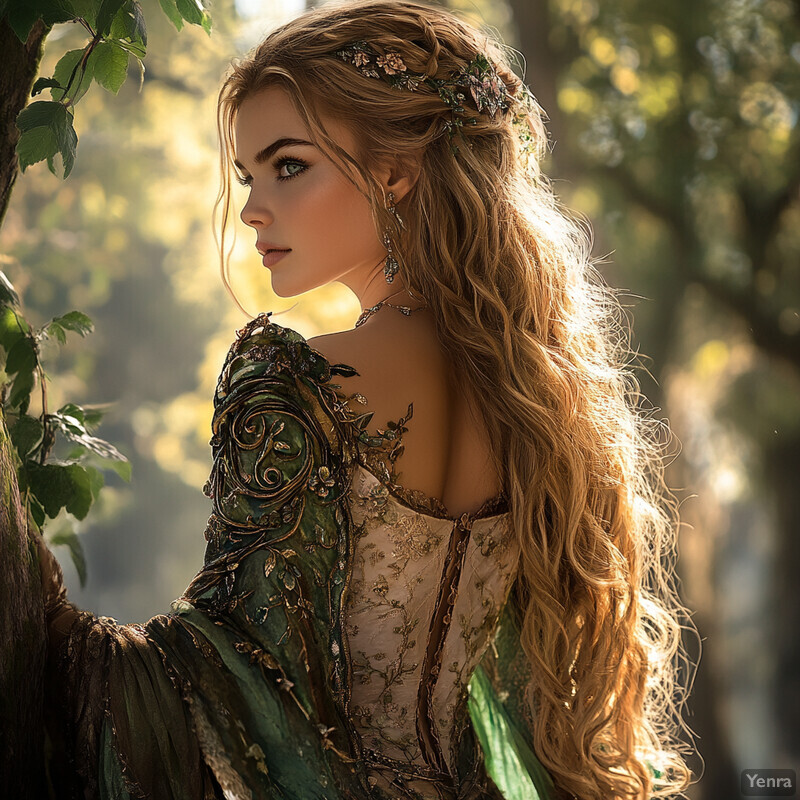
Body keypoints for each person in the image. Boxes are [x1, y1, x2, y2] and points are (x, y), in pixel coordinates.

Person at [31, 0, 696, 798]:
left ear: (393, 170)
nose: (252, 207)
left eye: (289, 165)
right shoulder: (536, 394)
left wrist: (61, 636)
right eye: (248, 177)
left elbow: (233, 671)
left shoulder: (295, 380)